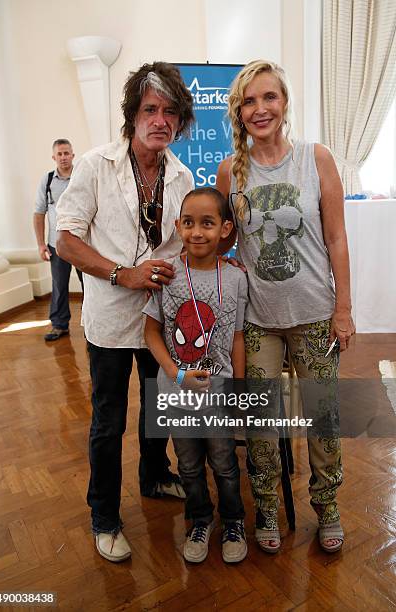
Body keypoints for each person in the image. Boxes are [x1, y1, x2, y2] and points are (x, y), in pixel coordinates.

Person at [56, 62, 195, 562]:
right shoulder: (95, 165)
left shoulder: (182, 176)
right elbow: (66, 239)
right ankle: (105, 516)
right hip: (111, 323)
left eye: (170, 112)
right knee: (108, 421)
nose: (160, 120)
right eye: (150, 109)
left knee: (158, 409)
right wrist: (123, 274)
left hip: (159, 322)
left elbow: (182, 246)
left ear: (180, 121)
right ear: (131, 115)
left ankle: (155, 476)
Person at [216, 59, 355, 554]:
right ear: (239, 111)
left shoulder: (316, 158)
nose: (260, 109)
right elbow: (223, 241)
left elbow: (336, 238)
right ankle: (268, 506)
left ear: (284, 103)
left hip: (316, 313)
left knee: (322, 418)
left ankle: (328, 504)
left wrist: (344, 308)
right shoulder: (230, 169)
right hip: (259, 320)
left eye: (268, 97)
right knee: (260, 420)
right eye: (249, 101)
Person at [144, 187, 248, 563]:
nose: (197, 232)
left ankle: (233, 520)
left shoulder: (236, 278)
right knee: (188, 464)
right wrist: (176, 374)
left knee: (223, 461)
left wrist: (237, 387)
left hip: (218, 390)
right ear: (177, 226)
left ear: (225, 229)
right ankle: (200, 520)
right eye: (188, 223)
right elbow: (151, 332)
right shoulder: (167, 274)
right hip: (175, 390)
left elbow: (237, 337)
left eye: (208, 223)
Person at [33, 139, 83, 341]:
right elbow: (39, 213)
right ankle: (59, 325)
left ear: (73, 155)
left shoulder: (81, 177)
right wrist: (41, 244)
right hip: (57, 245)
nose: (63, 157)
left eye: (66, 153)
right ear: (54, 157)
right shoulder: (46, 181)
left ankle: (92, 327)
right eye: (59, 154)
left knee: (90, 286)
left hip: (82, 244)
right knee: (59, 286)